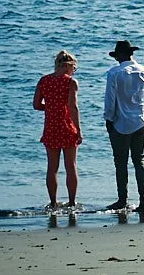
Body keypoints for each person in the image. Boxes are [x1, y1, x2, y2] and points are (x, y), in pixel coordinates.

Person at [101, 40, 144, 213]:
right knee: (139, 159)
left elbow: (110, 101)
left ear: (119, 56)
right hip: (141, 120)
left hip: (120, 122)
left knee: (121, 163)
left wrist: (108, 120)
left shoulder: (114, 73)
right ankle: (143, 200)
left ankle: (122, 200)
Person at [32, 51, 82, 210]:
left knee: (52, 168)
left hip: (51, 127)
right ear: (69, 66)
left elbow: (36, 105)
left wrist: (51, 107)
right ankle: (72, 203)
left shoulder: (44, 80)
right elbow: (73, 107)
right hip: (67, 127)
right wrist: (79, 130)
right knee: (71, 166)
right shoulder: (70, 82)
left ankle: (53, 203)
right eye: (74, 68)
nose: (74, 71)